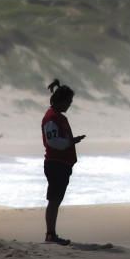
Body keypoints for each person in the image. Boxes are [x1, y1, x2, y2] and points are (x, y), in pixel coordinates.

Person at [41, 79, 85, 245]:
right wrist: (70, 142)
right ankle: (50, 235)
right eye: (69, 102)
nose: (69, 105)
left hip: (61, 164)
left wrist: (72, 141)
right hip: (55, 164)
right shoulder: (52, 117)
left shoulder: (59, 116)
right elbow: (53, 141)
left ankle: (51, 234)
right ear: (61, 100)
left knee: (56, 199)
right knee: (54, 200)